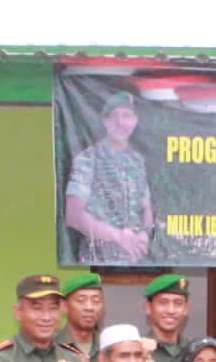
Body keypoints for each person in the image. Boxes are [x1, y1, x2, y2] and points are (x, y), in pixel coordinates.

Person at [65, 90, 154, 264]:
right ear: (104, 121)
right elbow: (74, 216)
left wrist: (145, 233)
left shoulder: (137, 161)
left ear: (135, 121)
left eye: (127, 115)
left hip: (136, 260)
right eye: (114, 116)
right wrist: (118, 236)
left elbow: (146, 207)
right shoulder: (87, 159)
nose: (120, 122)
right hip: (100, 260)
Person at [61, 272, 105, 361]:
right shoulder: (50, 347)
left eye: (96, 301)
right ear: (64, 306)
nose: (89, 307)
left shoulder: (108, 347)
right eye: (81, 300)